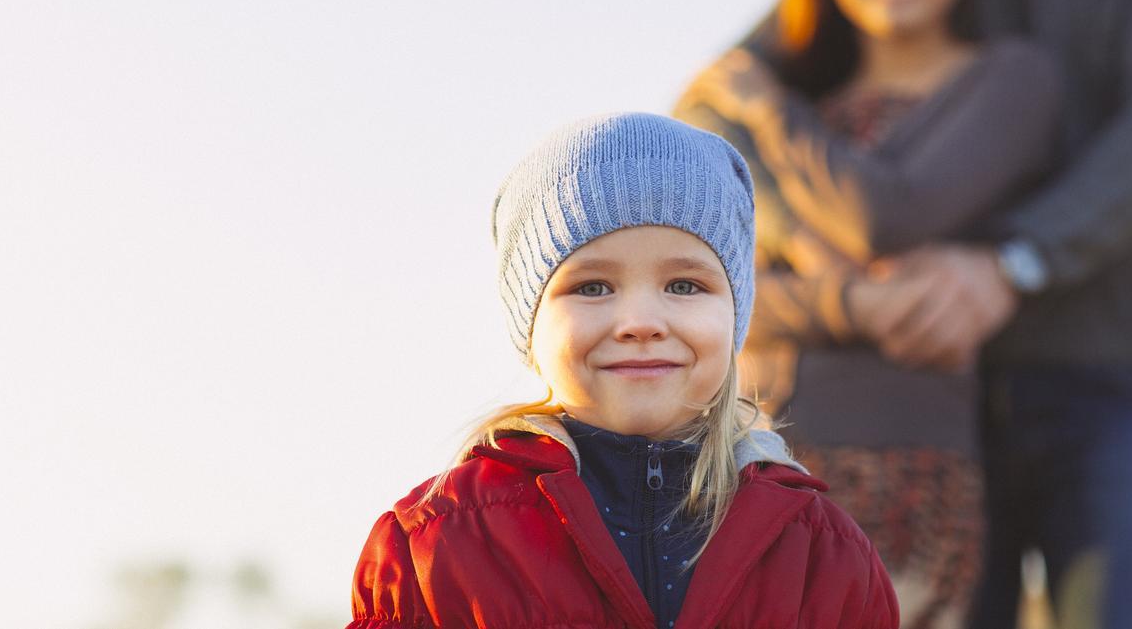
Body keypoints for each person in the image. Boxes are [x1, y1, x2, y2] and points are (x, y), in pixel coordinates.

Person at [676, 0, 1061, 629]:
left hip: (903, 476)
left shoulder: (1008, 80)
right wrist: (856, 303)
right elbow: (714, 290)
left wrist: (763, 107)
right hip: (741, 466)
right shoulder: (800, 108)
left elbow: (885, 215)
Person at [343, 113, 900, 629]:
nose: (639, 322)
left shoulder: (825, 556)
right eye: (592, 287)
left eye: (684, 286)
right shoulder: (435, 545)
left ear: (735, 315)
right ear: (530, 325)